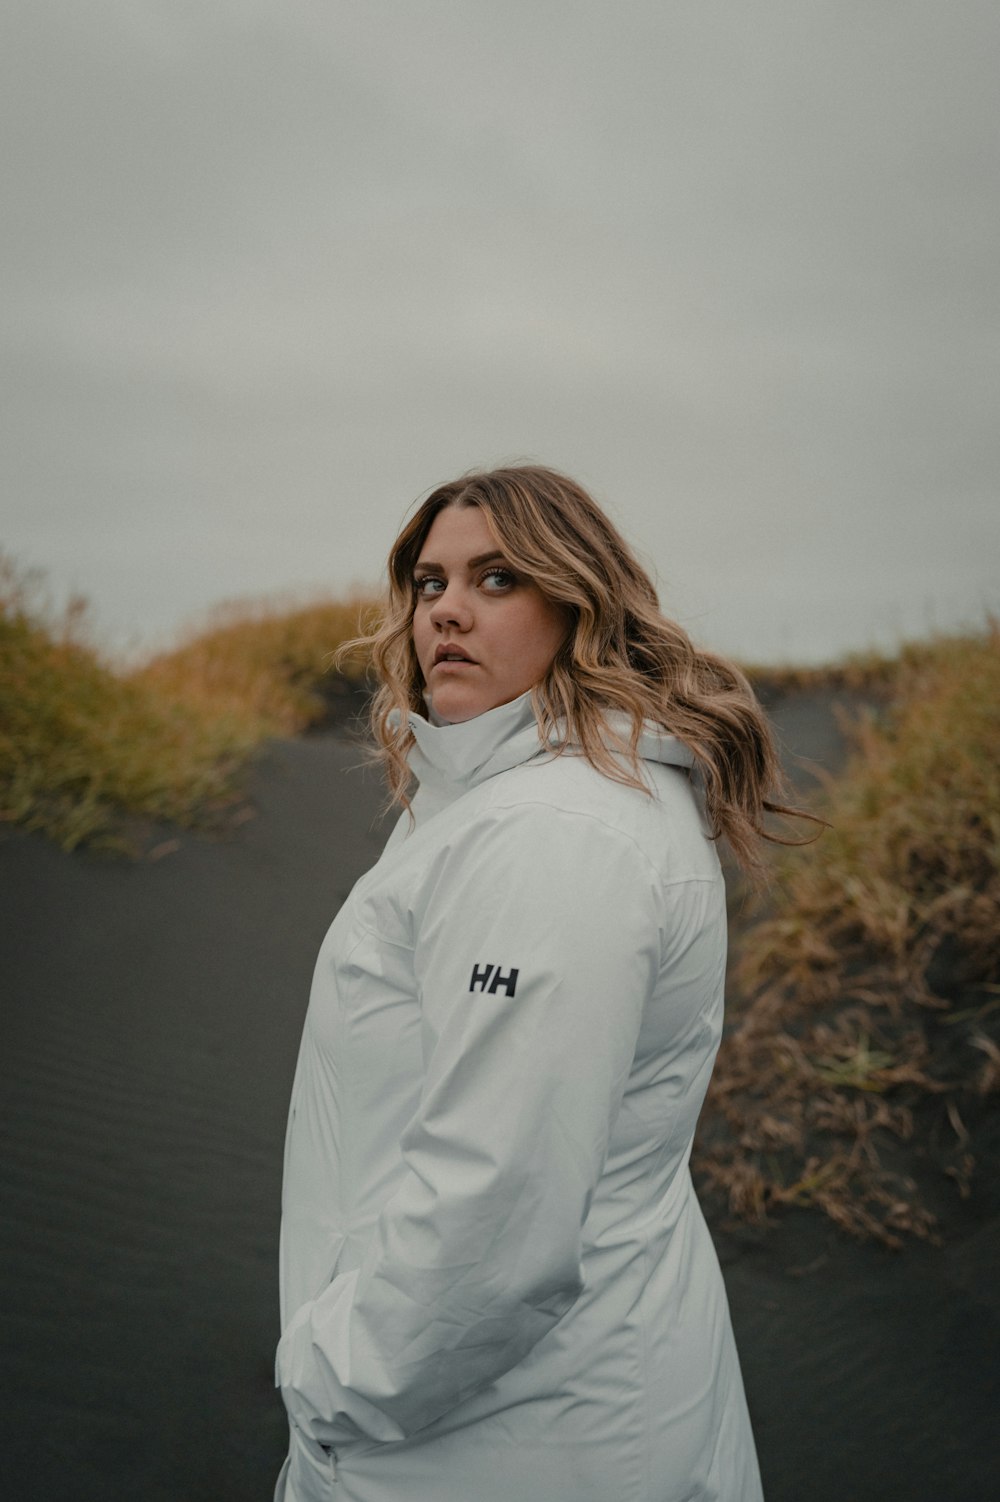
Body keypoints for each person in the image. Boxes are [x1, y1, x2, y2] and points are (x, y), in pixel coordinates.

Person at [275, 465, 796, 1501]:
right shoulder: (535, 803)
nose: (448, 611)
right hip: (545, 1407)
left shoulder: (555, 836)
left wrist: (335, 1380)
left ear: (578, 601)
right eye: (429, 582)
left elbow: (496, 1204)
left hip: (498, 1440)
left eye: (497, 578)